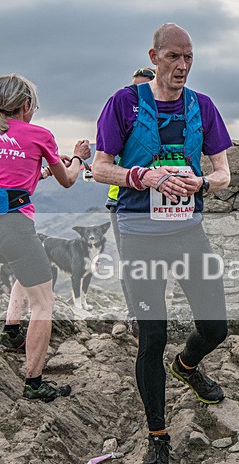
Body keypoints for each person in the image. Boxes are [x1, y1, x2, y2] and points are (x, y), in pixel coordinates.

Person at [92, 23, 232, 464]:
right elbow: (100, 168)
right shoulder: (123, 103)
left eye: (188, 57)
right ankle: (158, 437)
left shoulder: (203, 107)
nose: (182, 66)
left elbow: (225, 173)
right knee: (152, 336)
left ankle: (187, 365)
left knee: (216, 326)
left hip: (187, 231)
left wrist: (203, 182)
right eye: (173, 57)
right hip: (138, 233)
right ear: (154, 56)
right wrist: (142, 177)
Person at [0, 73, 90, 401]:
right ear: (25, 105)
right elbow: (69, 180)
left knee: (30, 259)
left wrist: (43, 168)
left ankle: (10, 333)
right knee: (44, 302)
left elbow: (4, 179)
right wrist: (77, 157)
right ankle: (34, 382)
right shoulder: (40, 135)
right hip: (12, 229)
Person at [103, 66, 158, 339]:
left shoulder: (162, 116)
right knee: (129, 262)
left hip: (159, 202)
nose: (135, 93)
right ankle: (135, 314)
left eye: (143, 88)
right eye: (133, 87)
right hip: (121, 201)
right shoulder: (123, 112)